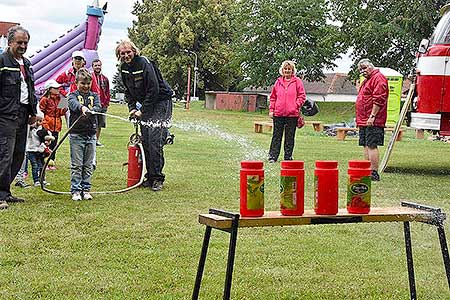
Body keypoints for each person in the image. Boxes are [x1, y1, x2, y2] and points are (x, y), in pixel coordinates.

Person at [115, 40, 173, 192]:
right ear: (119, 55)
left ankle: (158, 178)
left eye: (128, 52)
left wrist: (142, 111)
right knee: (146, 139)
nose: (126, 55)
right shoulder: (124, 69)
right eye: (123, 53)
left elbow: (153, 90)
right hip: (146, 105)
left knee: (154, 139)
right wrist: (132, 108)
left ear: (134, 51)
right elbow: (128, 92)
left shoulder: (144, 63)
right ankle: (150, 176)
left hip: (161, 102)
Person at [0, 25, 39, 209]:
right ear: (10, 42)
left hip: (23, 113)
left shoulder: (27, 63)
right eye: (19, 42)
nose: (23, 46)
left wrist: (33, 112)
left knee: (18, 154)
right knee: (4, 154)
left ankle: (5, 193)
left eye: (26, 42)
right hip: (6, 115)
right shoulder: (2, 61)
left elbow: (30, 89)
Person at [68, 68, 101, 201]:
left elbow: (99, 107)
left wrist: (92, 110)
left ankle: (86, 189)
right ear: (76, 82)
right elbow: (73, 104)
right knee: (77, 164)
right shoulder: (72, 95)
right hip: (77, 135)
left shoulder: (95, 95)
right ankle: (76, 190)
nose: (86, 86)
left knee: (88, 165)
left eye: (88, 84)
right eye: (83, 83)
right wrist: (82, 108)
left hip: (91, 135)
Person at [355, 58, 389, 181]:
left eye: (364, 68)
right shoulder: (366, 80)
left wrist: (372, 116)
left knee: (372, 145)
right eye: (360, 69)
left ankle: (373, 172)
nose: (362, 71)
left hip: (373, 119)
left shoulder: (378, 78)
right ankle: (366, 170)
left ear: (371, 66)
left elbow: (379, 99)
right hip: (363, 118)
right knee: (365, 144)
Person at [268, 60, 306, 163]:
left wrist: (295, 105)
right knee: (276, 135)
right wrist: (272, 110)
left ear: (292, 70)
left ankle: (288, 157)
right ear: (282, 70)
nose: (287, 70)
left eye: (289, 69)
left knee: (290, 136)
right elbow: (273, 97)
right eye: (285, 69)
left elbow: (302, 96)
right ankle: (272, 157)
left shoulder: (297, 81)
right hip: (278, 113)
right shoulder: (278, 82)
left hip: (292, 114)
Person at [39, 79, 68, 170]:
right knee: (46, 145)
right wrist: (44, 125)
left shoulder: (60, 98)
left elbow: (61, 113)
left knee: (54, 145)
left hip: (57, 125)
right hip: (48, 124)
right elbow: (41, 113)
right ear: (50, 89)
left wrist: (65, 105)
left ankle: (51, 162)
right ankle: (43, 162)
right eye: (55, 88)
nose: (58, 89)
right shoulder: (44, 99)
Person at [26, 119, 54, 186]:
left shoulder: (42, 129)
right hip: (31, 150)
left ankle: (42, 179)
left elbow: (49, 136)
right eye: (37, 121)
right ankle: (36, 181)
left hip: (40, 150)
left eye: (40, 121)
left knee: (42, 166)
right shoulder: (30, 129)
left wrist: (48, 140)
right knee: (35, 166)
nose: (38, 122)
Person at [92, 59, 110, 147]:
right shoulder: (90, 78)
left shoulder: (105, 79)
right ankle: (91, 140)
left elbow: (107, 91)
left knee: (100, 123)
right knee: (93, 123)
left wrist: (106, 102)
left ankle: (96, 140)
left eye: (99, 65)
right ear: (92, 67)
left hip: (103, 105)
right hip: (93, 105)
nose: (97, 67)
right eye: (95, 65)